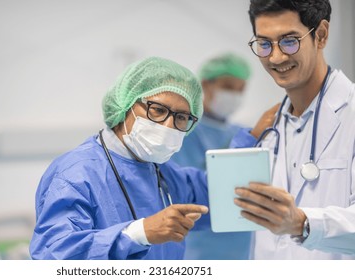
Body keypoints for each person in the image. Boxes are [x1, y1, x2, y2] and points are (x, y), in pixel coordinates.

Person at [29, 56, 211, 260]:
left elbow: (227, 192)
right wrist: (138, 233)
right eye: (158, 110)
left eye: (181, 117)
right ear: (126, 105)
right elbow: (55, 256)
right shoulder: (76, 173)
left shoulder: (164, 173)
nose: (168, 126)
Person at [232, 0, 355, 259]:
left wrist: (302, 223)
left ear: (321, 35)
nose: (276, 57)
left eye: (289, 41)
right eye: (264, 44)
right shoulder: (270, 129)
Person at [171, 53, 254, 260]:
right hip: (200, 249)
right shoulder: (184, 133)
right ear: (206, 85)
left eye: (240, 89)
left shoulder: (245, 133)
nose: (235, 95)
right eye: (228, 86)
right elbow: (188, 190)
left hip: (243, 247)